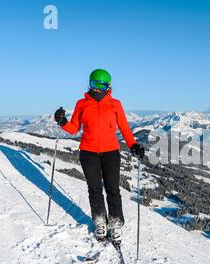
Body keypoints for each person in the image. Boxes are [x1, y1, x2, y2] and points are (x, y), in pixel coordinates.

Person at [54, 69, 145, 244]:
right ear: (89, 84)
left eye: (101, 85)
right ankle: (100, 223)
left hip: (111, 153)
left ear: (108, 86)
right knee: (94, 189)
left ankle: (116, 225)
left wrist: (133, 145)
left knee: (113, 190)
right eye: (94, 84)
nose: (96, 89)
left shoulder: (115, 104)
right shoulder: (82, 104)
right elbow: (74, 128)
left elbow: (124, 128)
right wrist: (62, 122)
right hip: (88, 153)